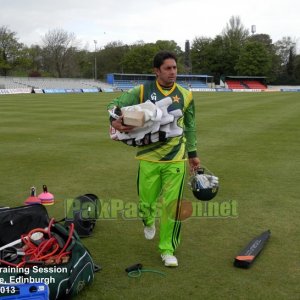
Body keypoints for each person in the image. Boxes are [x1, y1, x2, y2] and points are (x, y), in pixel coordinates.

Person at [107, 50, 200, 267]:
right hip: (148, 158)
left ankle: (167, 249)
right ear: (156, 71)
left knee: (172, 206)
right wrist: (114, 121)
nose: (172, 72)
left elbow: (191, 126)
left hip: (176, 158)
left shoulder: (186, 95)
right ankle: (148, 221)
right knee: (145, 205)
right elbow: (113, 105)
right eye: (167, 68)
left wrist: (193, 154)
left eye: (175, 68)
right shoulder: (142, 90)